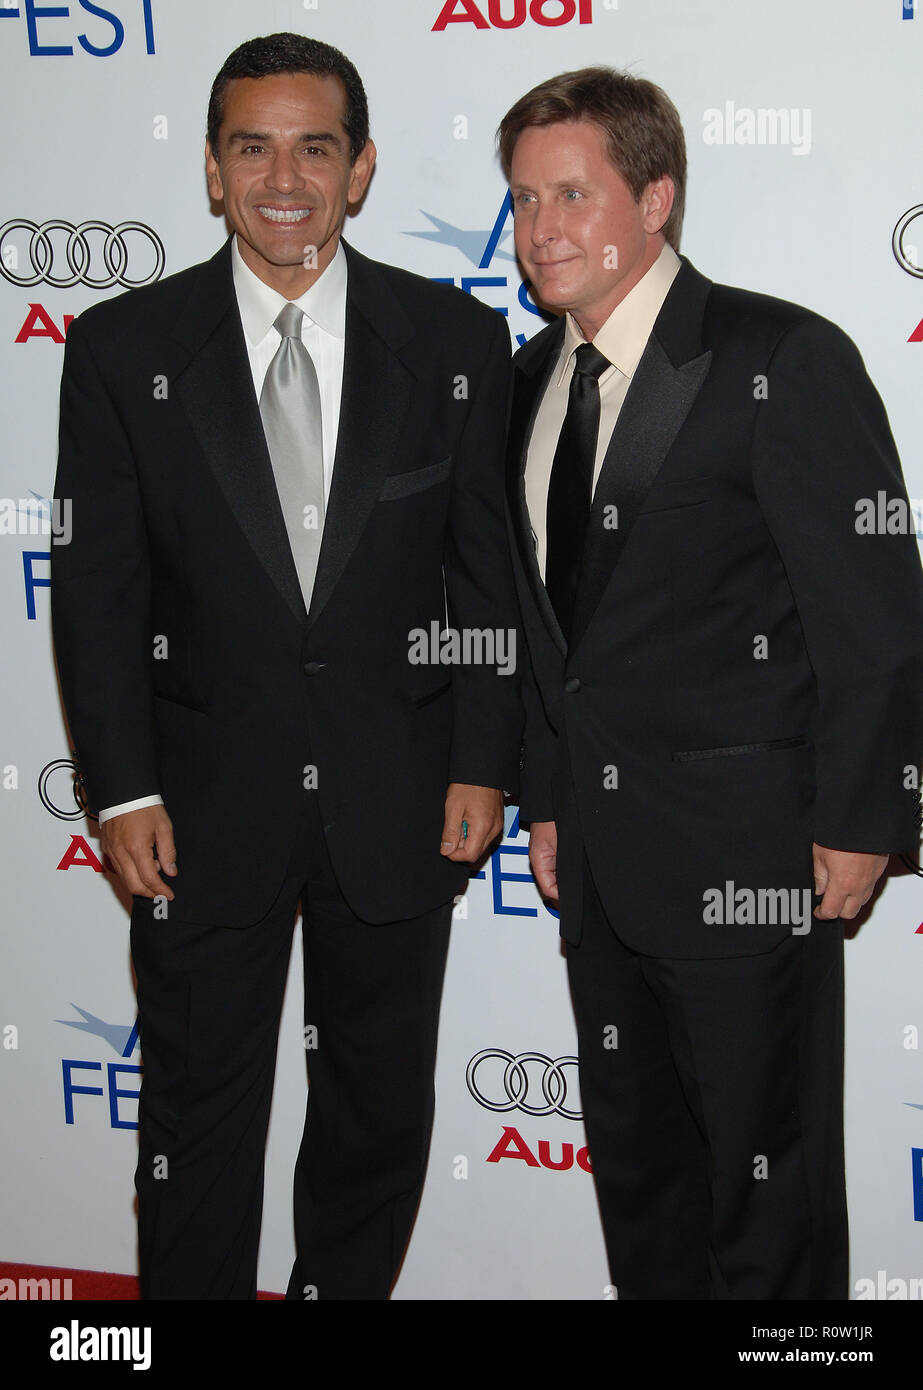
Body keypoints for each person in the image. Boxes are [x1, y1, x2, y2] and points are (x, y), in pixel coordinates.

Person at [52, 32, 520, 1300]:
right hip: (197, 813)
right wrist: (123, 789)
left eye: (315, 146)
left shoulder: (456, 342)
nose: (284, 176)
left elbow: (488, 579)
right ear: (210, 170)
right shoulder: (117, 350)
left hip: (403, 797)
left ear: (360, 169)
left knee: (373, 1119)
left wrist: (483, 759)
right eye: (251, 146)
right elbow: (97, 596)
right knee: (196, 1123)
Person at [499, 66, 923, 1299]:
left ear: (656, 198)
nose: (541, 231)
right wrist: (549, 797)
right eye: (524, 201)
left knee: (763, 1194)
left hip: (753, 856)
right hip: (600, 873)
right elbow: (547, 638)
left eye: (572, 195)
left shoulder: (778, 356)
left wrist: (859, 822)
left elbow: (876, 619)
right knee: (642, 1184)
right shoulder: (527, 384)